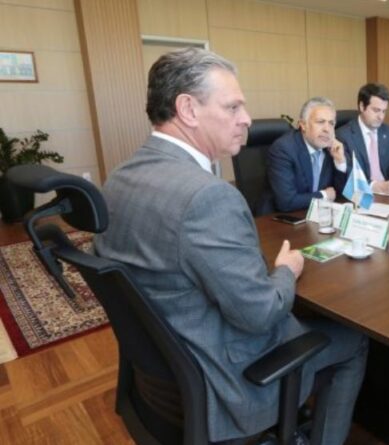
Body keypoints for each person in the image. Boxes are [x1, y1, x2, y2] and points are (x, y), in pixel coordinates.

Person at [94, 48, 367, 444]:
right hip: (228, 383)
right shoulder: (209, 197)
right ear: (188, 109)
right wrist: (286, 270)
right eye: (233, 106)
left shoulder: (117, 177)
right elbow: (260, 313)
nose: (247, 119)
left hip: (165, 370)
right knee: (355, 340)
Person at [262, 97, 347, 213]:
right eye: (320, 122)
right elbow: (286, 202)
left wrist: (340, 162)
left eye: (331, 123)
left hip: (318, 215)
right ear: (303, 125)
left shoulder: (331, 148)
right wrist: (324, 195)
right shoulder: (283, 149)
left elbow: (342, 194)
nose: (327, 129)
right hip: (282, 218)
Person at [336, 83, 389, 194]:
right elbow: (346, 173)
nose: (381, 117)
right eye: (376, 110)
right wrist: (375, 186)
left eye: (384, 111)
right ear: (362, 106)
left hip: (388, 194)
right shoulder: (343, 135)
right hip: (360, 194)